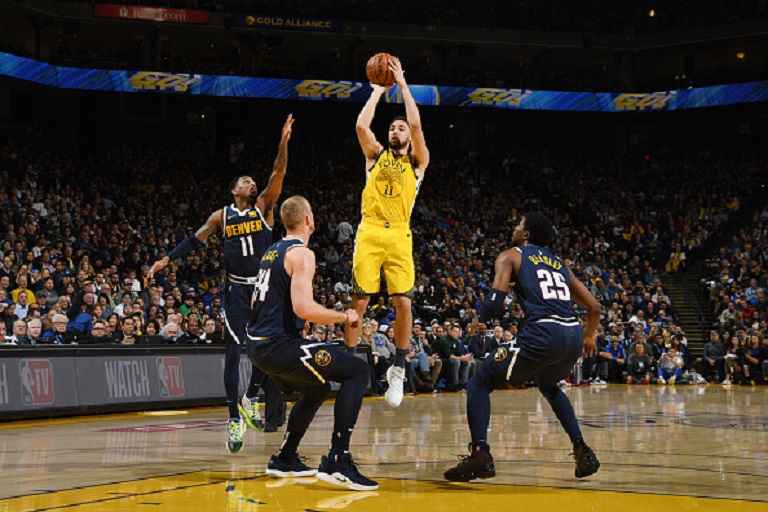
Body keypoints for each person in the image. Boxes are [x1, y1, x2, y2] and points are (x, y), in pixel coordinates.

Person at [150, 115, 294, 453]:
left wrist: (283, 142)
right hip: (235, 289)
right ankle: (233, 417)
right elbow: (194, 240)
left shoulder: (264, 207)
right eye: (245, 180)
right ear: (234, 190)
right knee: (233, 353)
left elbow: (278, 173)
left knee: (268, 349)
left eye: (252, 180)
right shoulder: (221, 216)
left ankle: (249, 397)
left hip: (262, 286)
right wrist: (166, 259)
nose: (251, 182)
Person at [444, 213, 601, 482]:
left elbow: (495, 301)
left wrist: (480, 321)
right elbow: (595, 307)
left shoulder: (512, 255)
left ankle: (480, 454)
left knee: (479, 382)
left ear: (526, 234)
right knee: (549, 385)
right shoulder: (560, 264)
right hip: (573, 334)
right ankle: (582, 450)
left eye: (518, 225)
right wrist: (589, 336)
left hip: (544, 332)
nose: (514, 228)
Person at [246, 196, 377, 490]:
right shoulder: (302, 254)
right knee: (357, 371)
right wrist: (345, 316)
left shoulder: (271, 252)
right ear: (308, 219)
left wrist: (294, 324)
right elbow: (304, 307)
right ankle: (337, 460)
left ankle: (285, 458)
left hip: (257, 346)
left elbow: (257, 301)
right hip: (277, 346)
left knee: (316, 389)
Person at [345, 57, 430, 408]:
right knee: (359, 302)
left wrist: (404, 86)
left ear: (408, 136)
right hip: (368, 232)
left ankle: (397, 368)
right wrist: (379, 91)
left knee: (403, 302)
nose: (396, 130)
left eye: (400, 128)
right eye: (392, 128)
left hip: (398, 234)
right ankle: (350, 364)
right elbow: (362, 126)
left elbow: (416, 123)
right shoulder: (375, 155)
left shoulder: (418, 162)